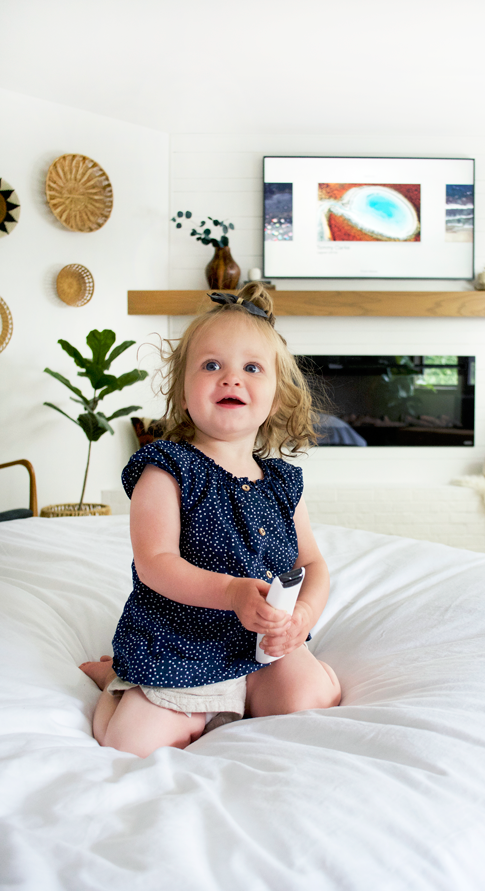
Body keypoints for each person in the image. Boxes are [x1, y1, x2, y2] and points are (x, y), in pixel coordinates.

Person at [80, 283, 341, 757]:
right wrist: (230, 592)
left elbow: (314, 565)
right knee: (131, 744)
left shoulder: (282, 482)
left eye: (252, 368)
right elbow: (155, 562)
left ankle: (246, 697)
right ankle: (116, 683)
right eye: (211, 365)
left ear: (278, 397)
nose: (231, 379)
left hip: (262, 651)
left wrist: (302, 617)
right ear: (183, 392)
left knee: (314, 703)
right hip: (182, 647)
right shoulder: (167, 468)